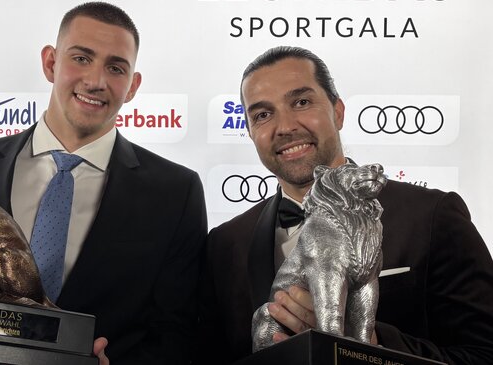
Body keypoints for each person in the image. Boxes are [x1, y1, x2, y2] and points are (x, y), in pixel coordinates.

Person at [0, 2, 207, 365]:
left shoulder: (176, 191)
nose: (96, 81)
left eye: (115, 68)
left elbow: (175, 334)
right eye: (81, 58)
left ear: (132, 86)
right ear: (51, 63)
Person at [196, 46, 493, 364]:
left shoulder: (432, 216)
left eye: (301, 102)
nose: (285, 127)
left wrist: (368, 343)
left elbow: (484, 354)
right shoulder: (224, 244)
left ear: (337, 111)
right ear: (250, 131)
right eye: (263, 115)